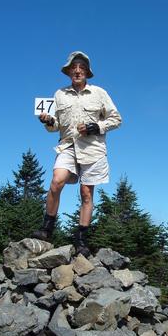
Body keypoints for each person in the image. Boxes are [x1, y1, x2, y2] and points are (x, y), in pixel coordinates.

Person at [32, 51, 122, 257]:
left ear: (87, 72)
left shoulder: (100, 93)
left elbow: (116, 119)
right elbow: (54, 126)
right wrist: (47, 121)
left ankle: (81, 239)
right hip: (68, 145)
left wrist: (95, 127)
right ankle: (46, 229)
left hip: (93, 148)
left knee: (86, 194)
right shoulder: (59, 94)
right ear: (69, 72)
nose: (77, 70)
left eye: (81, 67)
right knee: (56, 181)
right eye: (74, 68)